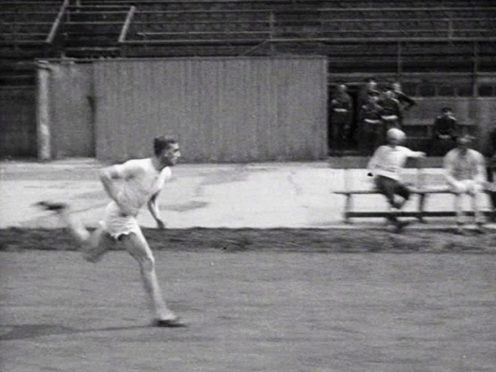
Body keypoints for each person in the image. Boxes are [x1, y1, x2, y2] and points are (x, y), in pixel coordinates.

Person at [37, 136, 185, 327]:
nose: (178, 155)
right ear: (164, 152)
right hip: (121, 218)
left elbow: (152, 196)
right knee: (146, 261)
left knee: (90, 253)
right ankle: (162, 314)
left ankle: (65, 212)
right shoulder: (139, 167)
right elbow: (105, 174)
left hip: (117, 217)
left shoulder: (165, 173)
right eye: (175, 151)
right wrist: (121, 202)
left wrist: (157, 217)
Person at [367, 128, 426, 231]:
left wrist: (421, 154)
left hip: (394, 179)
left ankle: (392, 217)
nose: (392, 141)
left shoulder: (403, 150)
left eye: (395, 139)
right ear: (387, 139)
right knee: (392, 197)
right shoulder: (382, 149)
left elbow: (414, 154)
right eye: (391, 139)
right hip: (382, 177)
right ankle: (394, 219)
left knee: (406, 193)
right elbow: (372, 164)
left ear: (399, 140)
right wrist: (370, 178)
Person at [443, 135, 487, 234]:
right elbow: (447, 174)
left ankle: (479, 223)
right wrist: (456, 183)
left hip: (472, 181)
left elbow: (480, 172)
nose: (463, 147)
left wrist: (477, 183)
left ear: (469, 145)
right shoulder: (451, 155)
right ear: (457, 145)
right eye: (461, 145)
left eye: (465, 145)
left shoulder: (476, 155)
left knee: (477, 193)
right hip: (456, 181)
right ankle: (460, 224)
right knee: (460, 194)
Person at [358, 90, 384, 156]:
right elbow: (361, 117)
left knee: (375, 139)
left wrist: (378, 122)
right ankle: (365, 153)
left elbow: (381, 118)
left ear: (377, 99)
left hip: (376, 126)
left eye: (375, 98)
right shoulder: (364, 107)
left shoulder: (380, 108)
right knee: (366, 139)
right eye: (371, 98)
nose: (373, 99)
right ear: (368, 99)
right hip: (367, 125)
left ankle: (373, 152)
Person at [329, 82, 353, 156]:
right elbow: (329, 108)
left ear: (345, 89)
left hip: (344, 119)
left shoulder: (348, 98)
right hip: (335, 119)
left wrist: (348, 122)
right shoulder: (334, 97)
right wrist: (332, 104)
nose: (341, 89)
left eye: (343, 88)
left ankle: (341, 151)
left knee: (342, 136)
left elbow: (350, 110)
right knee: (335, 135)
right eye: (340, 88)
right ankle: (334, 150)